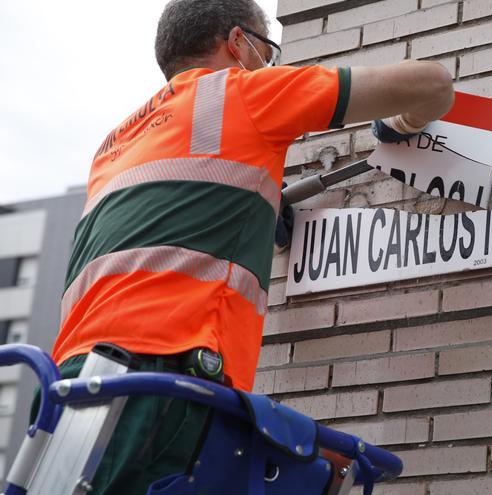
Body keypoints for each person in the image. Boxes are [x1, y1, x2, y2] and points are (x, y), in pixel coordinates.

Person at [48, 0, 454, 492]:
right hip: (163, 378)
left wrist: (259, 211)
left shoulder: (114, 142)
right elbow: (433, 84)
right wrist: (401, 126)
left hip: (67, 387)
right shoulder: (239, 91)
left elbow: (166, 221)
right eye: (268, 49)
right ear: (239, 44)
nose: (269, 64)